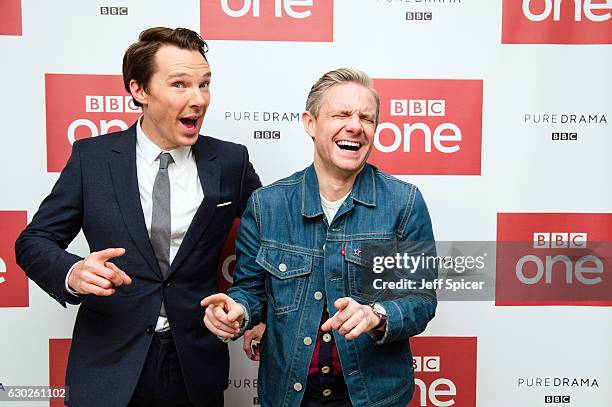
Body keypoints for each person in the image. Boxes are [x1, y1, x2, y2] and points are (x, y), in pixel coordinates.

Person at [15, 27, 261, 407]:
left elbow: (273, 235)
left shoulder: (230, 162)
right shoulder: (92, 158)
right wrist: (72, 272)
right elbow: (34, 241)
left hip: (195, 365)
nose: (198, 99)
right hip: (109, 362)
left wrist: (250, 306)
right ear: (139, 91)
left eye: (204, 84)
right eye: (180, 85)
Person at [202, 68, 436, 407]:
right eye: (341, 114)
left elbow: (421, 299)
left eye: (366, 118)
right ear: (310, 123)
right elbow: (250, 290)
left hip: (374, 396)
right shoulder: (267, 205)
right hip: (289, 394)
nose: (355, 125)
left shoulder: (405, 203)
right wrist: (237, 310)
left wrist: (377, 316)